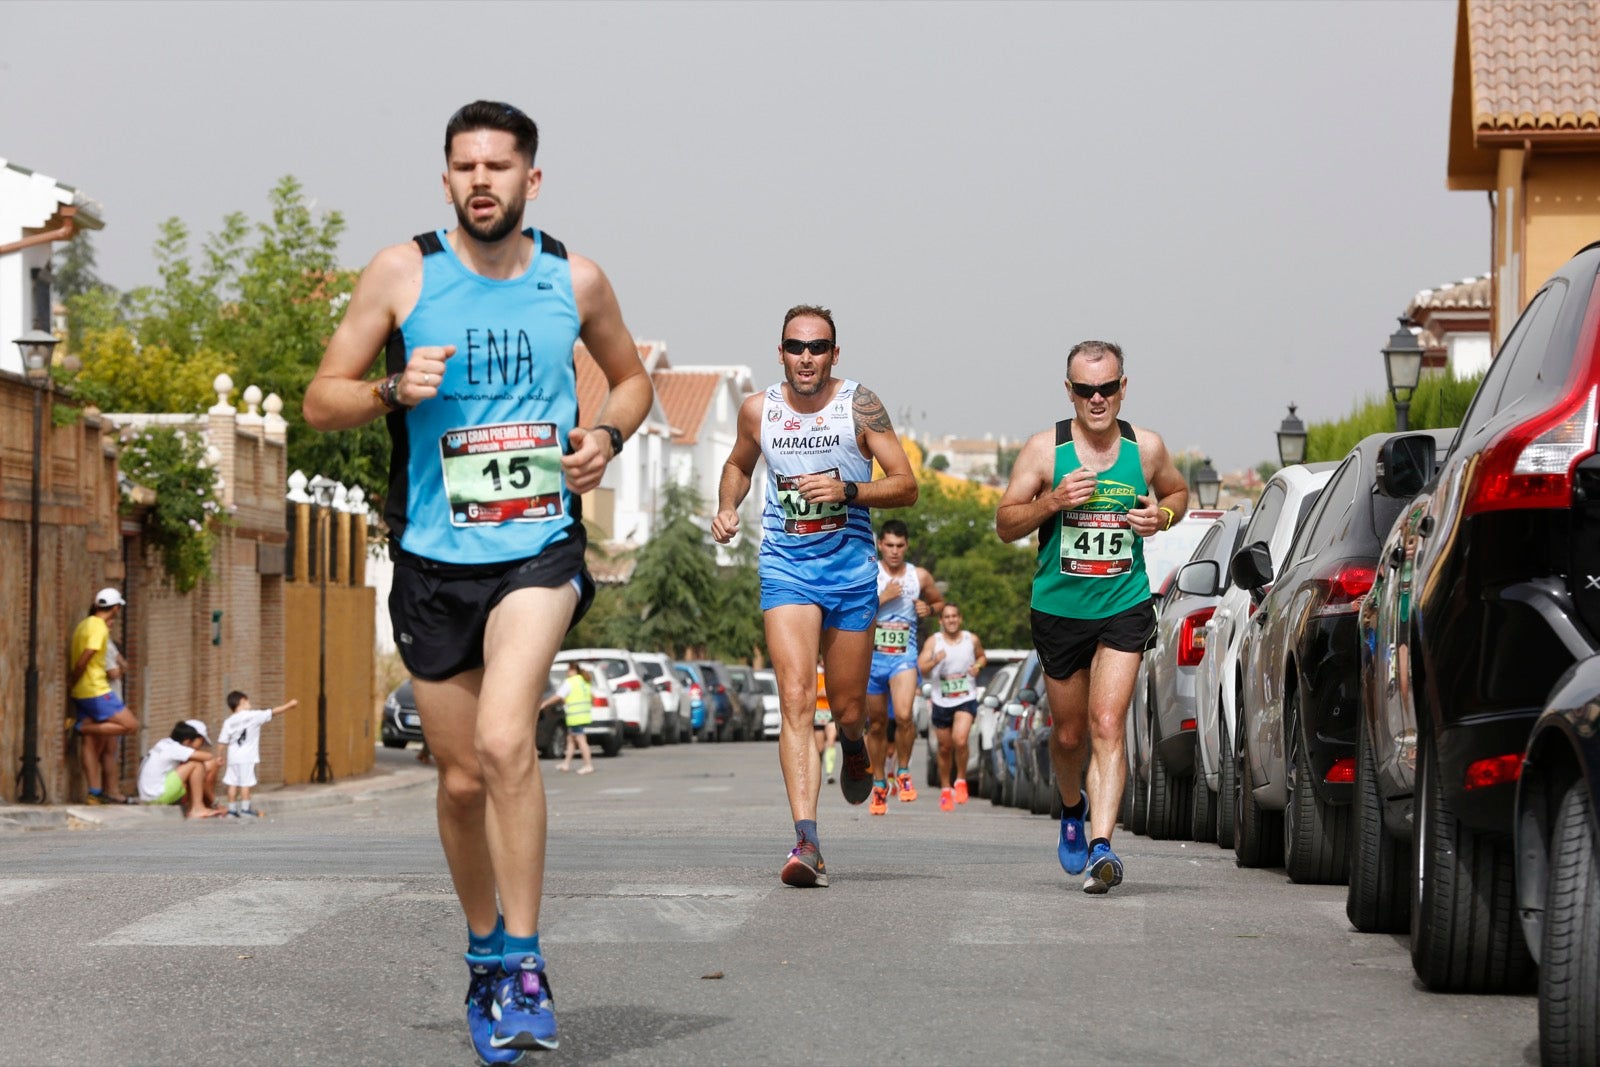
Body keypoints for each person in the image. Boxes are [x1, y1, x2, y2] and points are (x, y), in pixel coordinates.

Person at [302, 100, 653, 1060]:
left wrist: (605, 437)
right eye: (466, 167)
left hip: (537, 547)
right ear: (446, 177)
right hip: (430, 560)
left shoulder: (571, 277)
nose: (483, 181)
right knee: (459, 780)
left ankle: (530, 963)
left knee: (507, 740)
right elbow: (320, 396)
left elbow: (632, 379)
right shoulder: (401, 272)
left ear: (532, 181)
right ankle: (486, 953)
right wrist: (388, 388)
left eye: (501, 166)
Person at [712, 304, 917, 888]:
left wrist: (848, 489)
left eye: (818, 347)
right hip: (786, 567)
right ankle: (807, 840)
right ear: (780, 351)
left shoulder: (860, 405)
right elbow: (737, 464)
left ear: (834, 353)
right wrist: (727, 506)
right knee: (797, 699)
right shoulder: (759, 409)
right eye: (796, 347)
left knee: (849, 708)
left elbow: (906, 484)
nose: (807, 358)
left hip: (851, 572)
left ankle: (853, 742)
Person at [996, 340, 1188, 894]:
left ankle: (1103, 847)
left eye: (1107, 388)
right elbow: (1006, 523)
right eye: (1086, 390)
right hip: (1058, 610)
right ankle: (1071, 806)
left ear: (1123, 387)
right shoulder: (1044, 450)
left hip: (1123, 604)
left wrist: (1163, 516)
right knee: (1070, 733)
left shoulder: (1145, 448)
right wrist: (1052, 502)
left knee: (1108, 724)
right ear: (1070, 392)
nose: (1097, 398)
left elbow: (1176, 490)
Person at [866, 519, 943, 814]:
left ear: (906, 545)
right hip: (873, 658)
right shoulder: (870, 573)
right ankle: (878, 783)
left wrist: (929, 609)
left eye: (900, 546)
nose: (894, 551)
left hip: (904, 656)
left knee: (903, 716)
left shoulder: (918, 576)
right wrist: (880, 598)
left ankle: (903, 772)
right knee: (875, 725)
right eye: (889, 545)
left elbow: (938, 602)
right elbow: (852, 610)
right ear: (880, 545)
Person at [68, 588, 139, 803]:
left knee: (91, 742)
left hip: (83, 692)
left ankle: (94, 792)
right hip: (96, 689)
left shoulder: (85, 623)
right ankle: (78, 726)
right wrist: (75, 677)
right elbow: (87, 656)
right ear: (116, 608)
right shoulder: (99, 627)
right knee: (131, 725)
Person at [917, 603, 987, 811]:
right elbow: (922, 668)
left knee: (960, 739)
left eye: (955, 616)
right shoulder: (934, 641)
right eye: (947, 617)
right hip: (941, 699)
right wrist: (935, 660)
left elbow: (982, 656)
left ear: (960, 618)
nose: (951, 620)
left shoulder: (970, 639)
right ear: (941, 621)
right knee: (945, 747)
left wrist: (978, 667)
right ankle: (946, 788)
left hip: (965, 697)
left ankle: (961, 780)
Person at [217, 691, 300, 817]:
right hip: (247, 757)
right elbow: (273, 711)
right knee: (245, 783)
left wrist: (219, 756)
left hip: (233, 757)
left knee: (232, 783)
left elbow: (222, 741)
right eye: (248, 701)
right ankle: (245, 809)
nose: (249, 704)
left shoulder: (228, 722)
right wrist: (289, 705)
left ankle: (232, 810)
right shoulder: (253, 716)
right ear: (242, 702)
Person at [137, 719, 227, 818]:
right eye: (201, 742)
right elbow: (208, 756)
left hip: (147, 796)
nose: (200, 747)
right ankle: (197, 808)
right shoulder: (176, 748)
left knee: (198, 766)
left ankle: (196, 806)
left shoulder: (165, 743)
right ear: (188, 741)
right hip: (157, 795)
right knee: (196, 765)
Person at [541, 662, 595, 775]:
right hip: (583, 715)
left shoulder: (570, 682)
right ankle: (566, 764)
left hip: (576, 716)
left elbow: (559, 696)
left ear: (573, 671)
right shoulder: (584, 681)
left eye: (568, 670)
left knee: (581, 740)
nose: (567, 673)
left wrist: (545, 703)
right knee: (570, 739)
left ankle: (588, 765)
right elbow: (591, 697)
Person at [813, 662, 837, 784]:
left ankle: (829, 773)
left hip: (830, 711)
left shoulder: (834, 673)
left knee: (831, 741)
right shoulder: (814, 673)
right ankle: (817, 770)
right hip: (818, 712)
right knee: (820, 747)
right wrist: (819, 693)